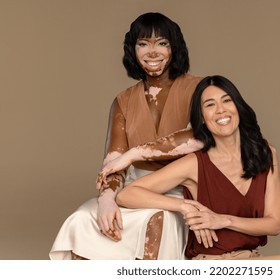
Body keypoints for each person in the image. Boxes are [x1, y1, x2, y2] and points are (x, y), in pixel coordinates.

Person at [107, 75, 280, 260]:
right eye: (210, 105)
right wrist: (186, 206)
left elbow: (273, 224)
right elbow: (127, 195)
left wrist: (222, 220)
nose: (220, 111)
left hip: (250, 261)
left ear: (238, 107)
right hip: (210, 265)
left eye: (226, 101)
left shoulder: (266, 154)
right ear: (202, 119)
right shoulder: (195, 163)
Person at [49, 12, 203, 260]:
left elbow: (202, 136)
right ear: (133, 50)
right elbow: (114, 160)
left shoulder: (200, 88)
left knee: (155, 220)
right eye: (143, 44)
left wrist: (136, 153)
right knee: (80, 220)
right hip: (133, 190)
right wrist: (107, 198)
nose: (152, 52)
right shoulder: (123, 101)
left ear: (175, 47)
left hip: (179, 189)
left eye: (162, 43)